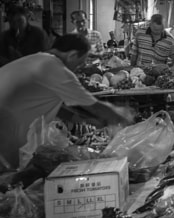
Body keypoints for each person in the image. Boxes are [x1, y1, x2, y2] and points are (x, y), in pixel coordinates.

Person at [0, 34, 133, 170]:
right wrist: (123, 118)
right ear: (72, 55)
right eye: (80, 63)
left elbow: (57, 106)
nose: (78, 68)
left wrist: (82, 119)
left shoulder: (37, 59)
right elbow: (95, 107)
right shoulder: (54, 68)